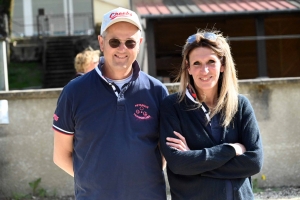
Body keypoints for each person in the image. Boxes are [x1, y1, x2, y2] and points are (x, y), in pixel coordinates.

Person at [52, 7, 168, 200]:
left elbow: (164, 153)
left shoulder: (157, 91)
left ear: (139, 44)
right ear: (101, 42)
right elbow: (61, 155)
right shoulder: (74, 92)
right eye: (115, 41)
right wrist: (96, 183)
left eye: (130, 42)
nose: (122, 48)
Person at [159, 29, 263, 200]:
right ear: (188, 68)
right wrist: (231, 149)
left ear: (222, 65)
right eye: (197, 63)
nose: (204, 70)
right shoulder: (172, 107)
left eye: (211, 62)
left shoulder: (240, 105)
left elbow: (254, 162)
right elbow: (178, 164)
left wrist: (194, 160)